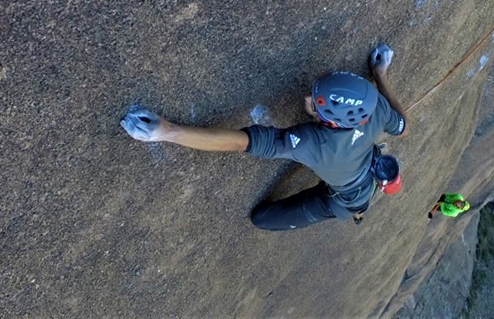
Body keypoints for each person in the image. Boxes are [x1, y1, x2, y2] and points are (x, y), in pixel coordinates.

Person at [120, 44, 409, 231]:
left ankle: (349, 208)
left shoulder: (311, 144)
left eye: (316, 102)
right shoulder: (375, 106)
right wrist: (380, 74)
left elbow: (237, 141)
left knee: (262, 218)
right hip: (366, 166)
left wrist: (167, 131)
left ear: (331, 122)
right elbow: (403, 126)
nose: (309, 97)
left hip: (344, 202)